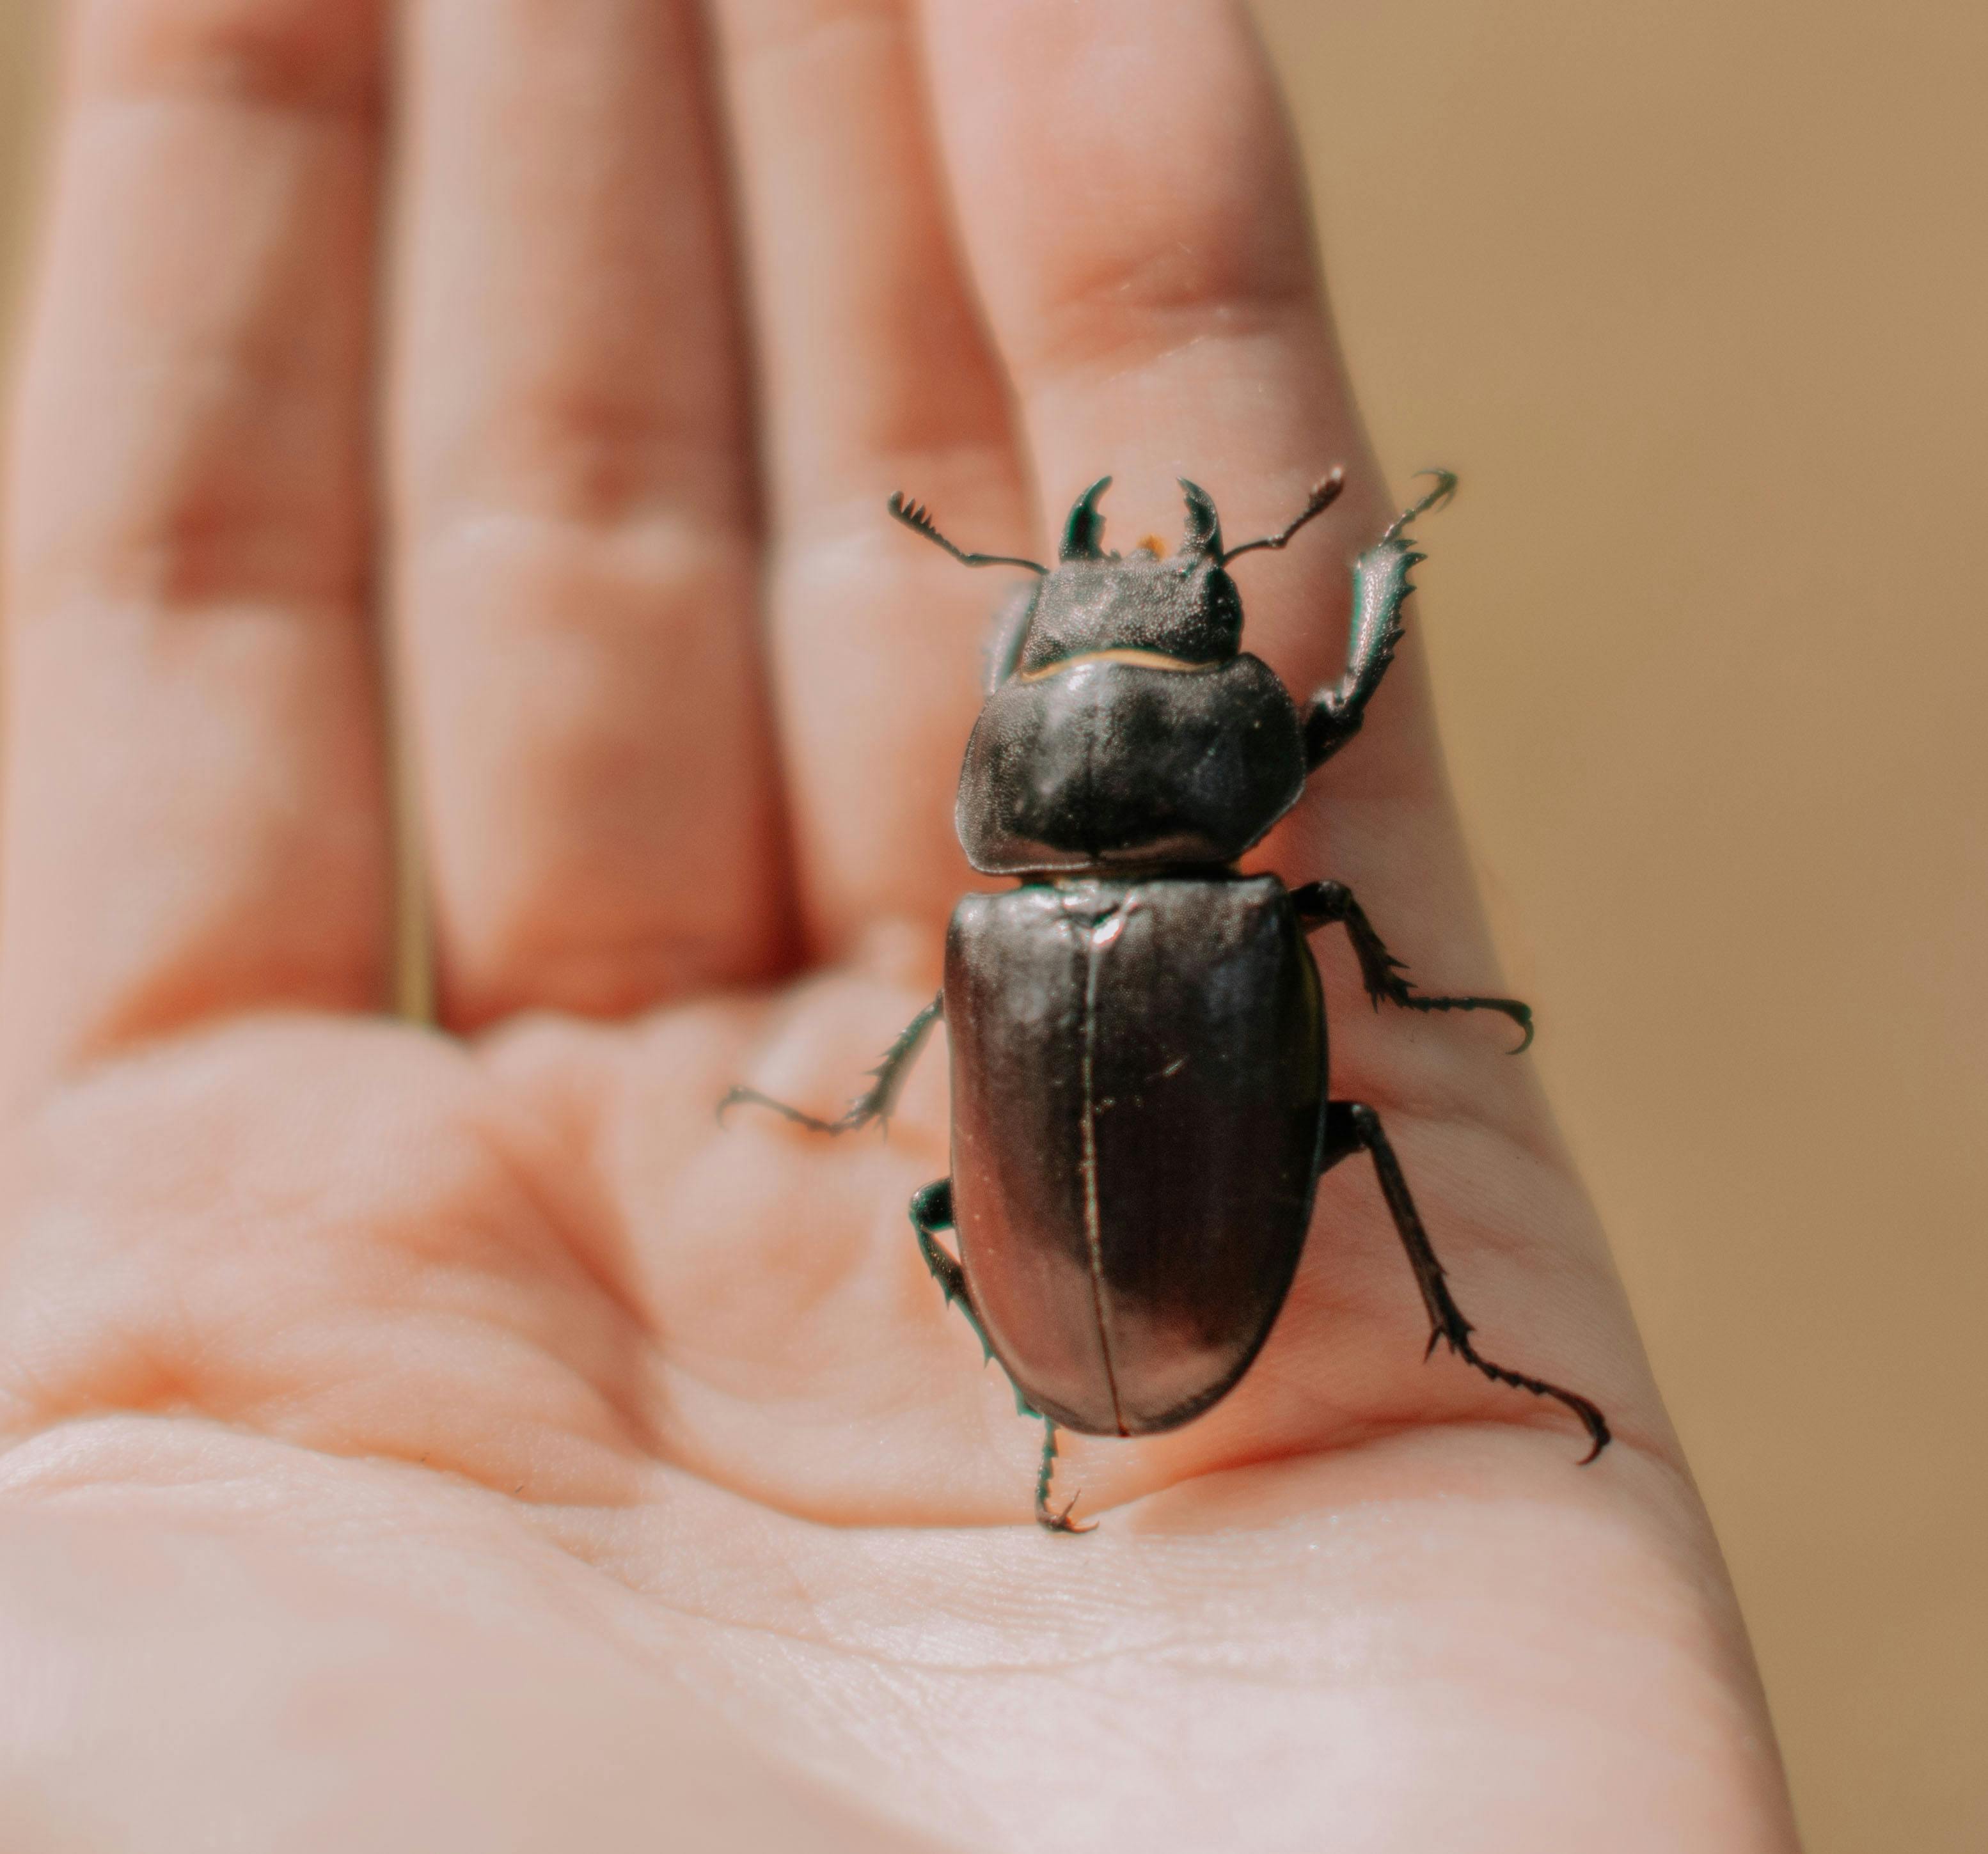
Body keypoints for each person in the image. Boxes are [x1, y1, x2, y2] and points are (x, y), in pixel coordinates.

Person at [0, 1, 1801, 1846]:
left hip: (1092, 1291)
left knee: (956, 1185)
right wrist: (1379, 560)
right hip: (1172, 1278)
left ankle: (1026, 1309)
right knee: (1342, 1127)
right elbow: (1332, 716)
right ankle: (1434, 1342)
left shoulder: (985, 940)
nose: (1119, 610)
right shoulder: (1277, 893)